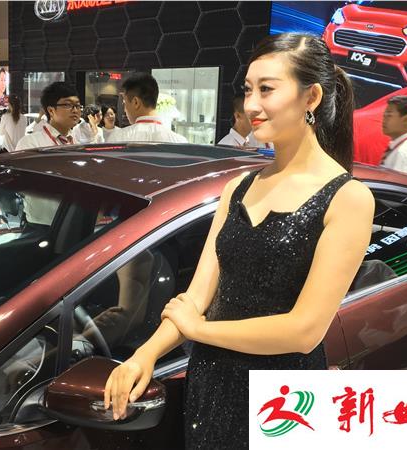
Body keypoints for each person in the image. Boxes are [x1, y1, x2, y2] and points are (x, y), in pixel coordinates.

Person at [104, 32, 375, 450]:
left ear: (311, 97)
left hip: (284, 395)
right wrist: (145, 354)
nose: (251, 105)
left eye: (267, 89)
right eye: (248, 90)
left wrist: (200, 329)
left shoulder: (348, 198)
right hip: (212, 380)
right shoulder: (238, 188)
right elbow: (197, 297)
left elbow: (304, 330)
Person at [106, 73, 187, 143]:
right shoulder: (180, 141)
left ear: (136, 102)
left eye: (125, 103)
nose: (124, 110)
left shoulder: (117, 139)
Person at [16, 82, 80, 150]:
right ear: (51, 111)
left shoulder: (77, 142)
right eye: (68, 105)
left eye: (78, 105)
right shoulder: (30, 144)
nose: (75, 110)